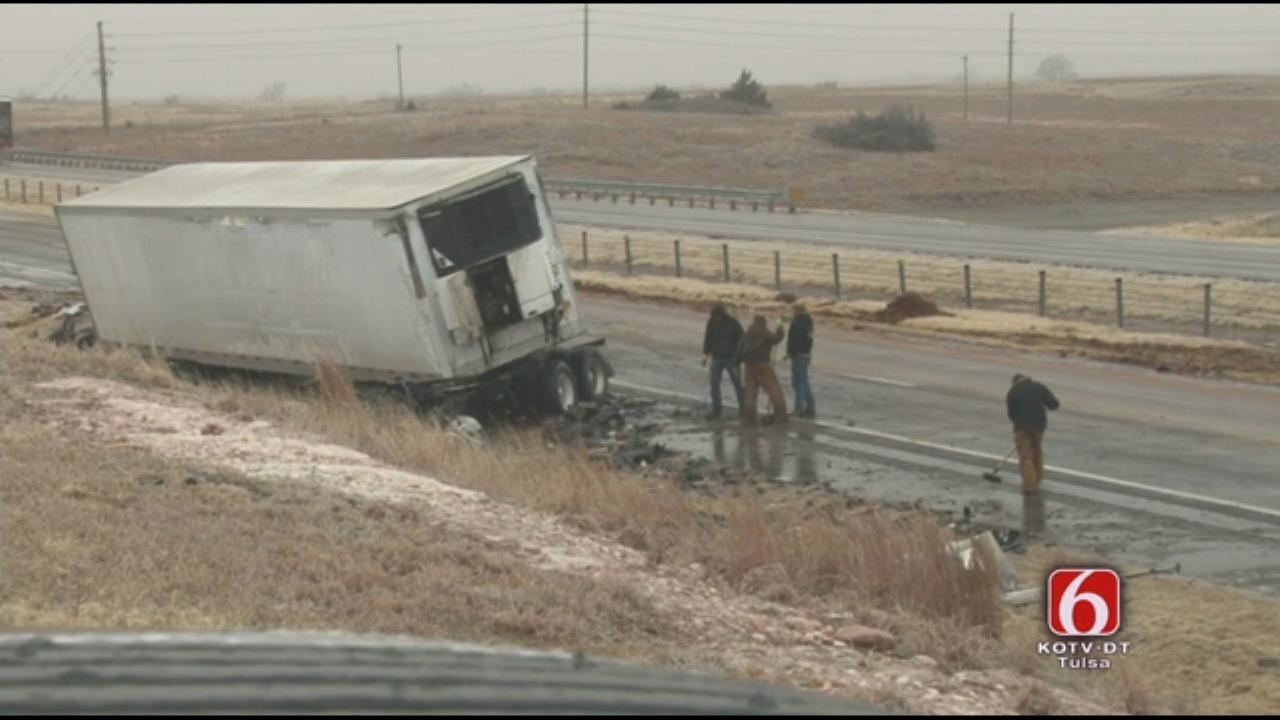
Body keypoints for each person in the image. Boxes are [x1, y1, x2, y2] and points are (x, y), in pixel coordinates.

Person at [1006, 373, 1061, 494]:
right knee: (1037, 452)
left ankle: (1030, 487)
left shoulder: (1013, 392)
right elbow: (1054, 404)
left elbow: (1011, 414)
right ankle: (1038, 479)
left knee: (1026, 456)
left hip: (1022, 428)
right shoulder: (1039, 387)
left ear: (1015, 382)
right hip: (1039, 426)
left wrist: (1018, 424)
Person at [735, 314, 788, 425]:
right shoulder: (764, 332)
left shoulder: (747, 334)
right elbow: (776, 338)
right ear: (764, 323)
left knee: (750, 393)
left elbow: (739, 348)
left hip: (749, 366)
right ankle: (781, 415)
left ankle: (750, 417)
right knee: (774, 390)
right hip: (762, 364)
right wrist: (780, 325)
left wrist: (736, 362)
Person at [701, 302, 745, 420]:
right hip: (717, 357)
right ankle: (716, 411)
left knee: (737, 383)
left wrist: (739, 355)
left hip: (731, 358)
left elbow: (743, 338)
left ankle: (744, 410)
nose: (716, 319)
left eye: (717, 317)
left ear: (722, 315)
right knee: (714, 384)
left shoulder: (733, 323)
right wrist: (705, 354)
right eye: (714, 317)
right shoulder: (711, 322)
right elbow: (708, 338)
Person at [785, 303, 816, 418]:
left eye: (793, 310)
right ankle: (810, 406)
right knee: (804, 381)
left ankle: (799, 408)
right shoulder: (808, 322)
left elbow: (794, 339)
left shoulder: (797, 323)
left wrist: (790, 352)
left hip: (798, 355)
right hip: (806, 354)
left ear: (797, 311)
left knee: (798, 382)